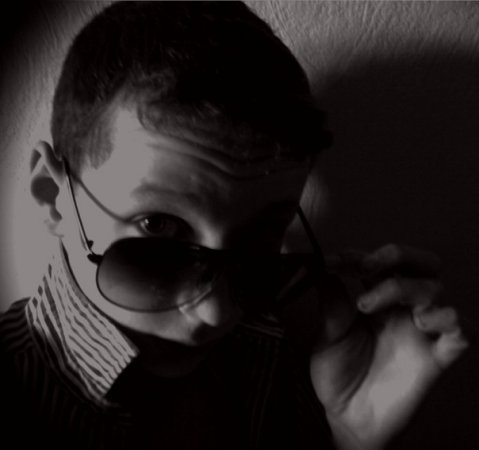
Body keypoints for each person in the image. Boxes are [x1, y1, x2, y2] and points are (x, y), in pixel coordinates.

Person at [0, 2, 469, 449]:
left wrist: (350, 438)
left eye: (259, 240)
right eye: (158, 227)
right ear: (53, 197)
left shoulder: (282, 354)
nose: (216, 313)